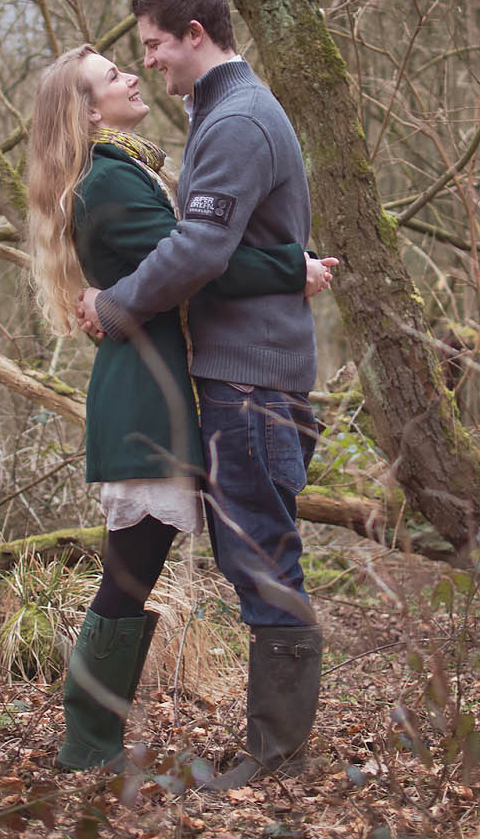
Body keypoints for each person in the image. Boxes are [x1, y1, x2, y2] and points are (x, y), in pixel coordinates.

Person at [27, 44, 334, 772]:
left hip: (158, 394)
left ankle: (91, 745)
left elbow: (194, 253)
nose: (132, 75)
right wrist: (294, 266)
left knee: (131, 576)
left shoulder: (123, 169)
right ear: (89, 112)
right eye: (112, 76)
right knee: (127, 577)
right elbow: (199, 264)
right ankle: (87, 745)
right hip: (147, 404)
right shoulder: (109, 182)